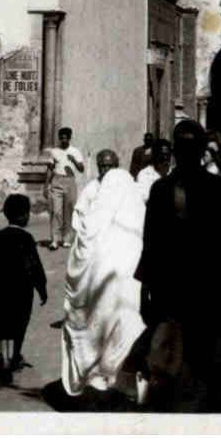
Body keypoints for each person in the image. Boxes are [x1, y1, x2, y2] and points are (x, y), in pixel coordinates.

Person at [135, 119, 221, 410]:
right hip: (199, 286)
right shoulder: (213, 187)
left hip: (177, 286)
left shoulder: (165, 189)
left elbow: (150, 243)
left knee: (178, 356)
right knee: (195, 353)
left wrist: (145, 289)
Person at [62, 154, 146, 401]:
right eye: (103, 165)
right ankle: (114, 382)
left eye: (110, 166)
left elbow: (85, 242)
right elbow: (82, 224)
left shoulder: (121, 199)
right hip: (118, 285)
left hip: (113, 285)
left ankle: (108, 380)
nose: (106, 170)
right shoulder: (102, 192)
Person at [0, 193, 47, 385]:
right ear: (24, 216)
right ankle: (14, 357)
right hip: (22, 290)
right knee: (18, 324)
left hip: (1, 289)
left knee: (3, 325)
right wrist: (41, 288)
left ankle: (4, 359)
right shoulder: (27, 238)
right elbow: (34, 265)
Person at [44, 126, 84, 250]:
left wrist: (74, 160)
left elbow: (81, 169)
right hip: (57, 180)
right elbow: (50, 169)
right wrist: (46, 185)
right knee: (56, 211)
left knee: (69, 211)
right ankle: (55, 240)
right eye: (61, 138)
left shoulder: (75, 151)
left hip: (70, 181)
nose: (64, 140)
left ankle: (67, 239)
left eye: (66, 138)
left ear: (70, 138)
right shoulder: (54, 152)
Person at [136, 139, 172, 205]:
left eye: (167, 156)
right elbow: (144, 199)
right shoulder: (145, 175)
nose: (165, 160)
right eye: (161, 157)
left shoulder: (172, 173)